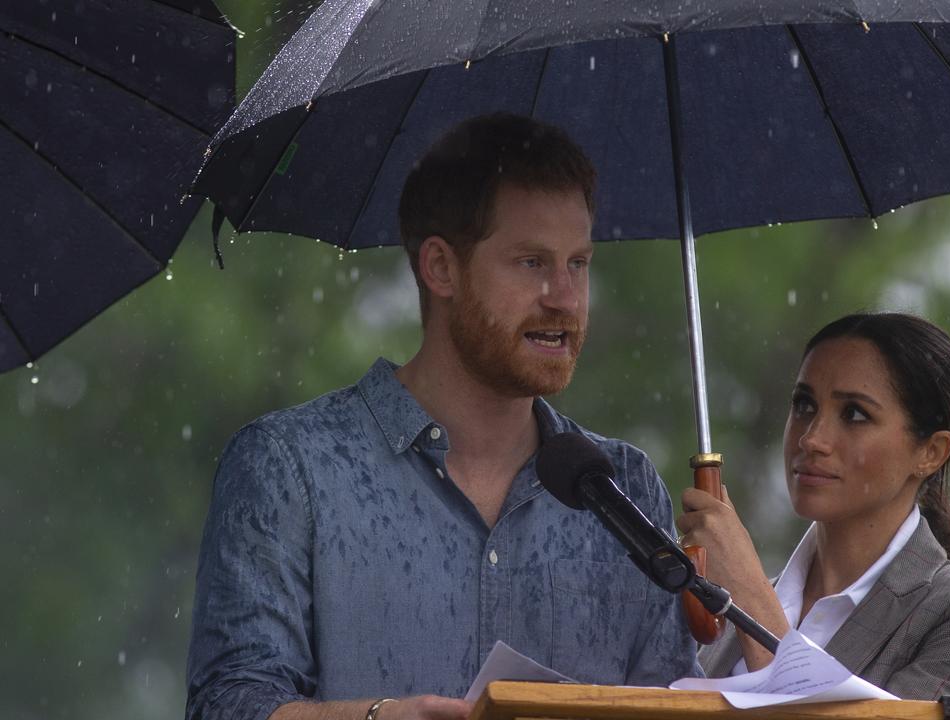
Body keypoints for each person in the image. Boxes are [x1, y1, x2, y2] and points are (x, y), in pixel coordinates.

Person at [186, 114, 699, 720]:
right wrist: (375, 718)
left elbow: (674, 704)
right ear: (440, 268)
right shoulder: (288, 467)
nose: (564, 296)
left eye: (578, 263)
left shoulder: (626, 487)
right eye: (532, 262)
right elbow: (228, 704)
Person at [679, 312, 950, 703]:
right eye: (804, 405)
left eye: (854, 414)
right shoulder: (723, 615)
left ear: (930, 453)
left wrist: (750, 600)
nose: (812, 438)